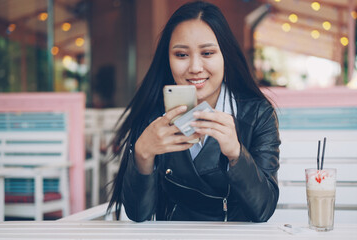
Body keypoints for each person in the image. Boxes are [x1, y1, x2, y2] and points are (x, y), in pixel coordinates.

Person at [107, 0, 280, 222]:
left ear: (225, 55)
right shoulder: (153, 113)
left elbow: (263, 210)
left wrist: (236, 153)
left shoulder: (258, 114)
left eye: (207, 53)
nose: (195, 67)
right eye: (181, 55)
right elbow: (138, 214)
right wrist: (142, 154)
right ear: (167, 59)